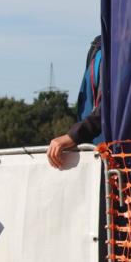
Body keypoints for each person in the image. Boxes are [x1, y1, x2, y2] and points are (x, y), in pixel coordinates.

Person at [47, 35, 103, 169]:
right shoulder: (98, 47)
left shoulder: (130, 50)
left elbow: (113, 106)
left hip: (122, 162)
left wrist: (74, 136)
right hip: (94, 159)